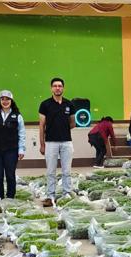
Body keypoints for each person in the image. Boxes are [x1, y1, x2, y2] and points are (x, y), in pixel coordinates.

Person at [38, 77, 75, 206]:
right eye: (55, 86)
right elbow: (42, 125)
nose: (57, 88)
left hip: (66, 142)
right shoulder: (45, 104)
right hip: (50, 143)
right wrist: (42, 144)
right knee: (51, 171)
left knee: (67, 171)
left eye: (60, 86)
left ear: (63, 88)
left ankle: (67, 195)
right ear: (51, 88)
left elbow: (73, 123)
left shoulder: (69, 104)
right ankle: (50, 196)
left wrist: (62, 129)